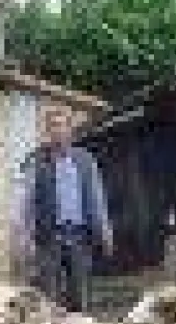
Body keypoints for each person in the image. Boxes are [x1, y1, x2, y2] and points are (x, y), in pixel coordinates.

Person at [15, 106, 113, 311]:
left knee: (80, 294)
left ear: (70, 129)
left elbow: (96, 196)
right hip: (49, 237)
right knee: (49, 297)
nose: (58, 131)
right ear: (47, 132)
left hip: (79, 236)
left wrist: (105, 231)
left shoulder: (86, 160)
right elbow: (26, 204)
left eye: (62, 125)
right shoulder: (36, 162)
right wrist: (24, 240)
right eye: (53, 126)